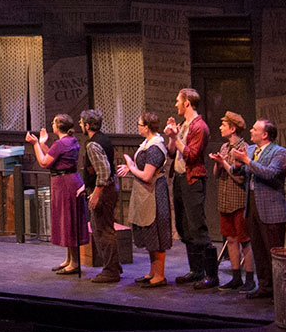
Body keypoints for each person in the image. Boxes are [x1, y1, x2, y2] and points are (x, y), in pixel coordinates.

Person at [164, 88, 216, 288]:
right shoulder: (182, 125)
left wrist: (176, 139)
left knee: (197, 227)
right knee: (184, 227)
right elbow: (171, 153)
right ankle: (196, 270)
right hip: (179, 178)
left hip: (193, 180)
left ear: (187, 103)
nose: (176, 104)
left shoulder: (199, 127)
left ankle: (211, 275)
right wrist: (171, 136)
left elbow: (192, 155)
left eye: (178, 101)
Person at [116, 111, 174, 287]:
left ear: (147, 127)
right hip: (146, 193)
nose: (139, 128)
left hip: (155, 193)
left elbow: (147, 176)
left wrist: (131, 166)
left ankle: (160, 274)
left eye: (140, 125)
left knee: (157, 231)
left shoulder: (156, 147)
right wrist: (130, 167)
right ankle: (152, 271)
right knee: (149, 232)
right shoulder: (148, 143)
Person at [27, 114, 86, 276]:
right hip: (67, 181)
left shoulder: (61, 143)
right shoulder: (70, 140)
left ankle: (74, 262)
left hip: (65, 183)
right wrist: (42, 143)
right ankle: (69, 259)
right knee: (68, 220)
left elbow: (44, 162)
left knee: (69, 220)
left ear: (58, 126)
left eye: (53, 122)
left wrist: (34, 144)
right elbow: (52, 158)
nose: (51, 124)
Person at [241, 119, 286, 299]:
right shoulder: (251, 150)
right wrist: (226, 162)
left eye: (255, 129)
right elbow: (241, 172)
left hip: (271, 207)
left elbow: (270, 173)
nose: (251, 131)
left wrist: (246, 161)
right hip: (253, 203)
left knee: (273, 251)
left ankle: (280, 290)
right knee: (258, 248)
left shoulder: (279, 152)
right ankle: (264, 286)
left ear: (265, 134)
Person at [209, 112, 252, 290]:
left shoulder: (245, 149)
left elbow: (240, 178)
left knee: (245, 240)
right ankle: (236, 277)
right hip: (225, 201)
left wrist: (225, 164)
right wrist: (218, 163)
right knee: (231, 240)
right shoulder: (224, 147)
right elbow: (216, 174)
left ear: (232, 128)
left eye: (223, 125)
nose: (220, 127)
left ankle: (249, 279)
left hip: (239, 201)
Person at [77, 110, 119, 285]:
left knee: (103, 231)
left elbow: (104, 171)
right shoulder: (103, 139)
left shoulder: (93, 145)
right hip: (105, 189)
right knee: (102, 228)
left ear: (87, 126)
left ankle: (111, 271)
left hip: (103, 191)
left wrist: (96, 193)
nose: (80, 125)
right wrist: (85, 187)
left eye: (81, 123)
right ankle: (113, 267)